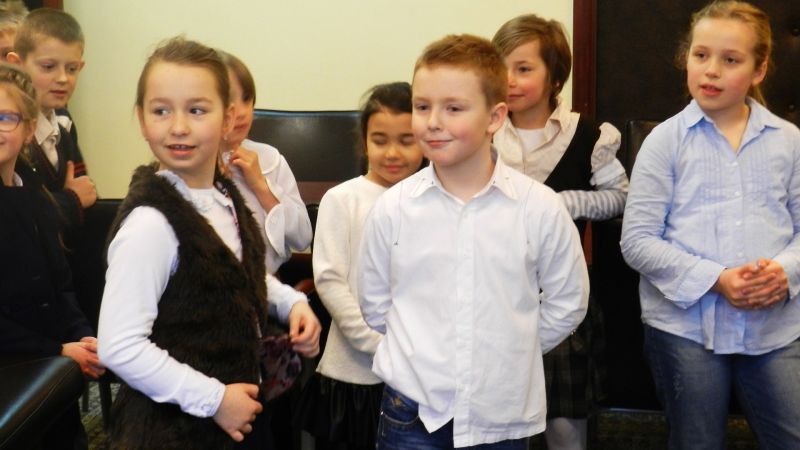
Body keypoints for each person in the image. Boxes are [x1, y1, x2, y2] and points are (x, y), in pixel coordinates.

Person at [358, 34, 589, 449]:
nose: (433, 122)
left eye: (454, 108)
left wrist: (511, 348)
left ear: (495, 117)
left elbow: (567, 301)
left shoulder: (538, 207)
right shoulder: (393, 208)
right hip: (413, 409)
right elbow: (375, 305)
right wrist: (422, 350)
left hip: (501, 413)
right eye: (422, 107)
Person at [620, 2, 800, 448]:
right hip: (685, 328)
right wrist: (717, 279)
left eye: (731, 60)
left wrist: (784, 272)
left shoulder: (789, 141)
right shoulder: (664, 141)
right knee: (697, 440)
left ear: (759, 70)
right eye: (701, 55)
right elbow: (637, 240)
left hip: (774, 326)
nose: (712, 70)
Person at [98, 36, 283, 449]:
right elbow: (119, 346)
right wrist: (214, 399)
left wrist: (290, 302)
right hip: (175, 429)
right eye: (161, 110)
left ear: (228, 119)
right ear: (142, 119)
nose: (178, 126)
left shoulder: (222, 197)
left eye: (196, 110)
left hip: (235, 409)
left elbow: (232, 274)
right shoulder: (150, 225)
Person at [491, 14, 628, 450]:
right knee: (499, 412)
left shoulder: (588, 135)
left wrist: (565, 202)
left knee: (565, 420)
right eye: (501, 68)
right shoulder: (484, 131)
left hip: (561, 291)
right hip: (497, 289)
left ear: (555, 77)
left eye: (523, 68)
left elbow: (620, 197)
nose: (509, 80)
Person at [297, 81, 423, 449]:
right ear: (364, 143)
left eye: (407, 140)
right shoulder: (343, 199)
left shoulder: (435, 198)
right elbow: (330, 279)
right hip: (354, 375)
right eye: (380, 140)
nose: (393, 152)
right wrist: (374, 343)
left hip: (419, 373)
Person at [0, 62, 103, 450]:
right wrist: (57, 351)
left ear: (28, 130)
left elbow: (61, 284)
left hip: (48, 358)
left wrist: (81, 335)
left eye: (5, 118)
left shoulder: (36, 196)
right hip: (14, 365)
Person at [219, 50, 312, 273]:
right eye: (229, 101)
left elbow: (302, 238)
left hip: (267, 287)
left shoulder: (270, 159)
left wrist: (261, 186)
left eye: (247, 99)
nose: (242, 112)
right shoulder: (190, 167)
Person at [7, 8, 96, 230]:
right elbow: (16, 215)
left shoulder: (64, 132)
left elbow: (86, 194)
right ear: (16, 64)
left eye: (72, 69)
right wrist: (70, 200)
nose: (63, 78)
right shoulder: (8, 136)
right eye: (48, 67)